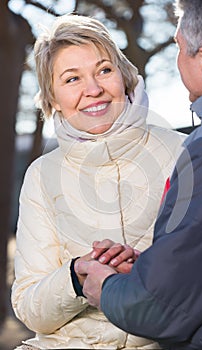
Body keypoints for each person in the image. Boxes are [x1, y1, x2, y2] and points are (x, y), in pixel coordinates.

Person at [11, 13, 184, 350]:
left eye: (104, 70)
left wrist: (143, 270)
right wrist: (76, 276)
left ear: (126, 77)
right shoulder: (42, 176)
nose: (93, 90)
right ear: (53, 101)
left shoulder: (183, 152)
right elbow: (30, 309)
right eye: (72, 79)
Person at [76, 0, 202, 349]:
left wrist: (107, 287)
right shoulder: (42, 174)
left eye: (178, 48)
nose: (92, 89)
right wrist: (148, 270)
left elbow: (158, 307)